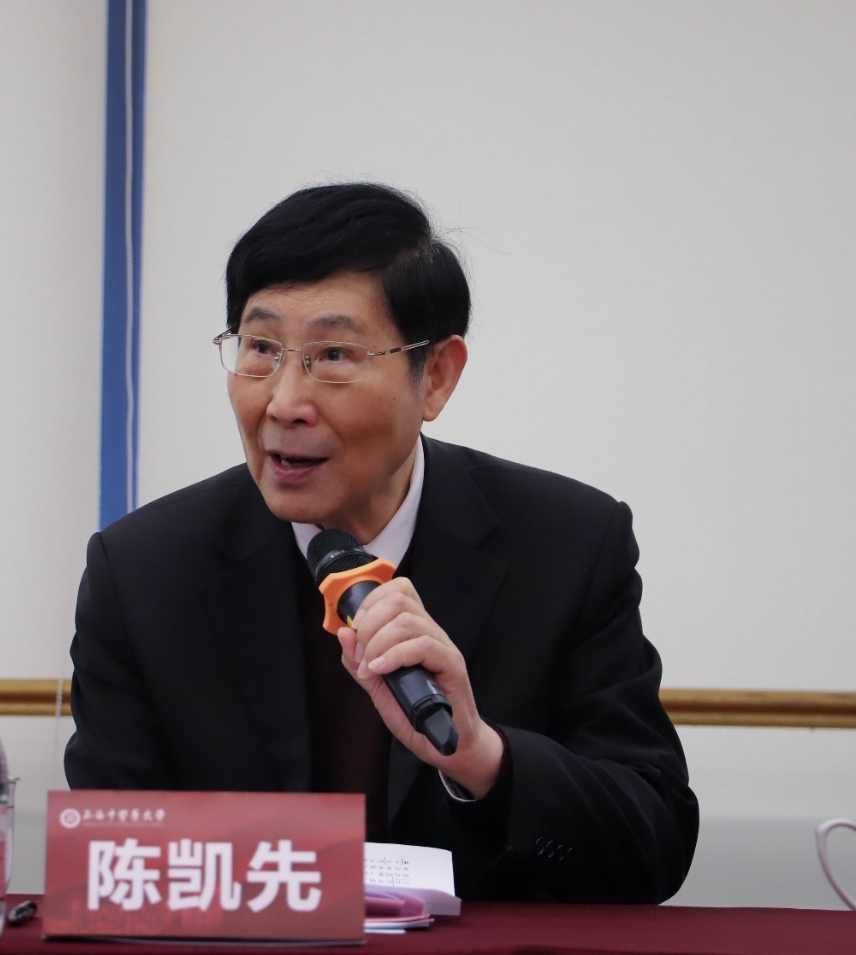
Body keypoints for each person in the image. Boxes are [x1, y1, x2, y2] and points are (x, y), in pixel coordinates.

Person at [65, 182, 698, 903]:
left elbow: (654, 842)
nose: (283, 402)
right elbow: (111, 868)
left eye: (333, 353)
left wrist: (481, 757)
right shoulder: (143, 572)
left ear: (436, 377)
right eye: (260, 348)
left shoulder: (567, 545)